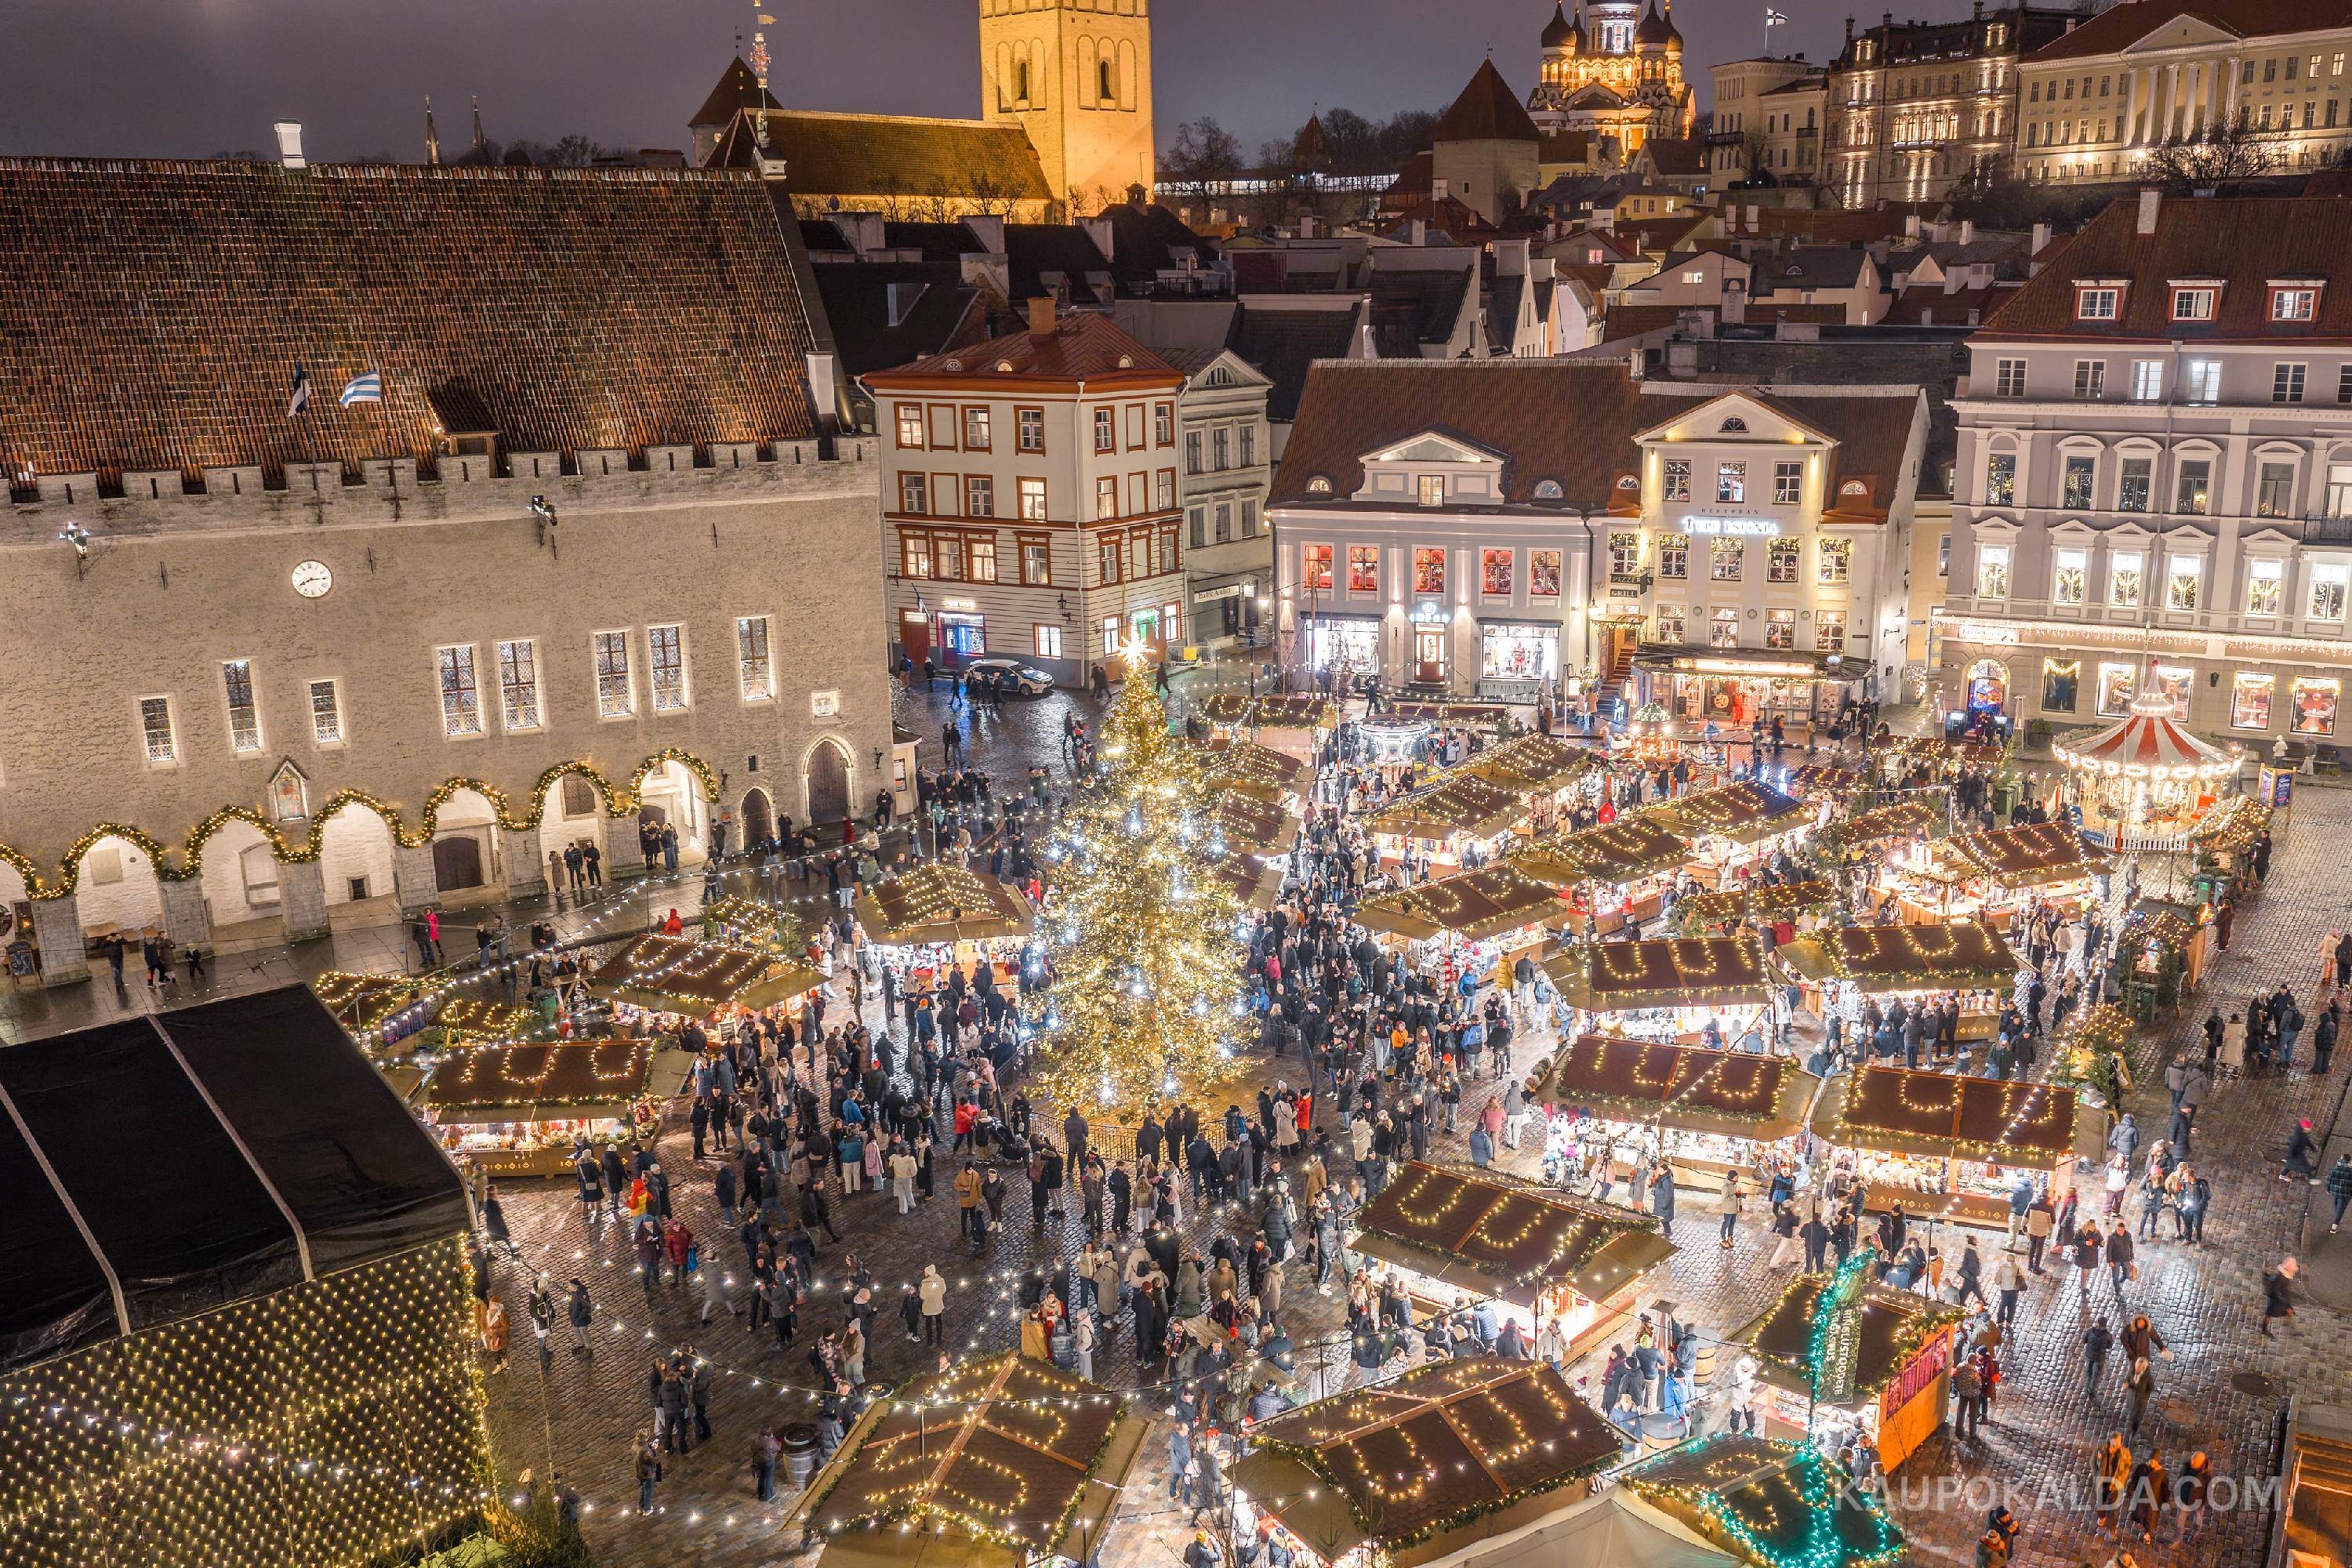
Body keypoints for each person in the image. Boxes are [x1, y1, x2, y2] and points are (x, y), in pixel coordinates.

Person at [2263, 1256, 2300, 1337]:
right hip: (2276, 1300)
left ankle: (2291, 1327)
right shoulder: (2281, 1278)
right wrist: (2286, 1305)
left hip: (2279, 1299)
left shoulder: (2283, 1276)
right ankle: (2264, 1330)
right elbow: (2278, 1292)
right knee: (2269, 1314)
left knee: (2289, 1313)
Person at [754, 1427, 781, 1502]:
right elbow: (777, 1448)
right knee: (769, 1477)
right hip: (769, 1461)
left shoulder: (756, 1440)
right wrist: (773, 1438)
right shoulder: (771, 1441)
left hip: (759, 1461)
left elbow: (753, 1449)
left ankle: (760, 1493)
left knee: (762, 1476)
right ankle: (768, 1496)